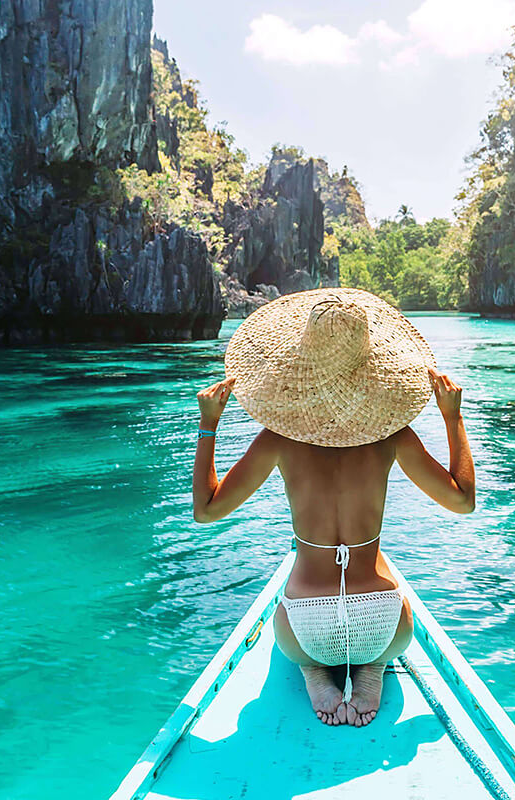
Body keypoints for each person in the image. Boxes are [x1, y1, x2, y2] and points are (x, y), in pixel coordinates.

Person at [192, 288, 475, 728]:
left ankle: (313, 669)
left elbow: (206, 511)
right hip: (386, 626)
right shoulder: (393, 437)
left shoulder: (278, 441)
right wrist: (452, 416)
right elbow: (462, 501)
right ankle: (373, 665)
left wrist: (209, 424)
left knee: (298, 635)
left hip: (305, 630)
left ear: (298, 367)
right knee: (382, 576)